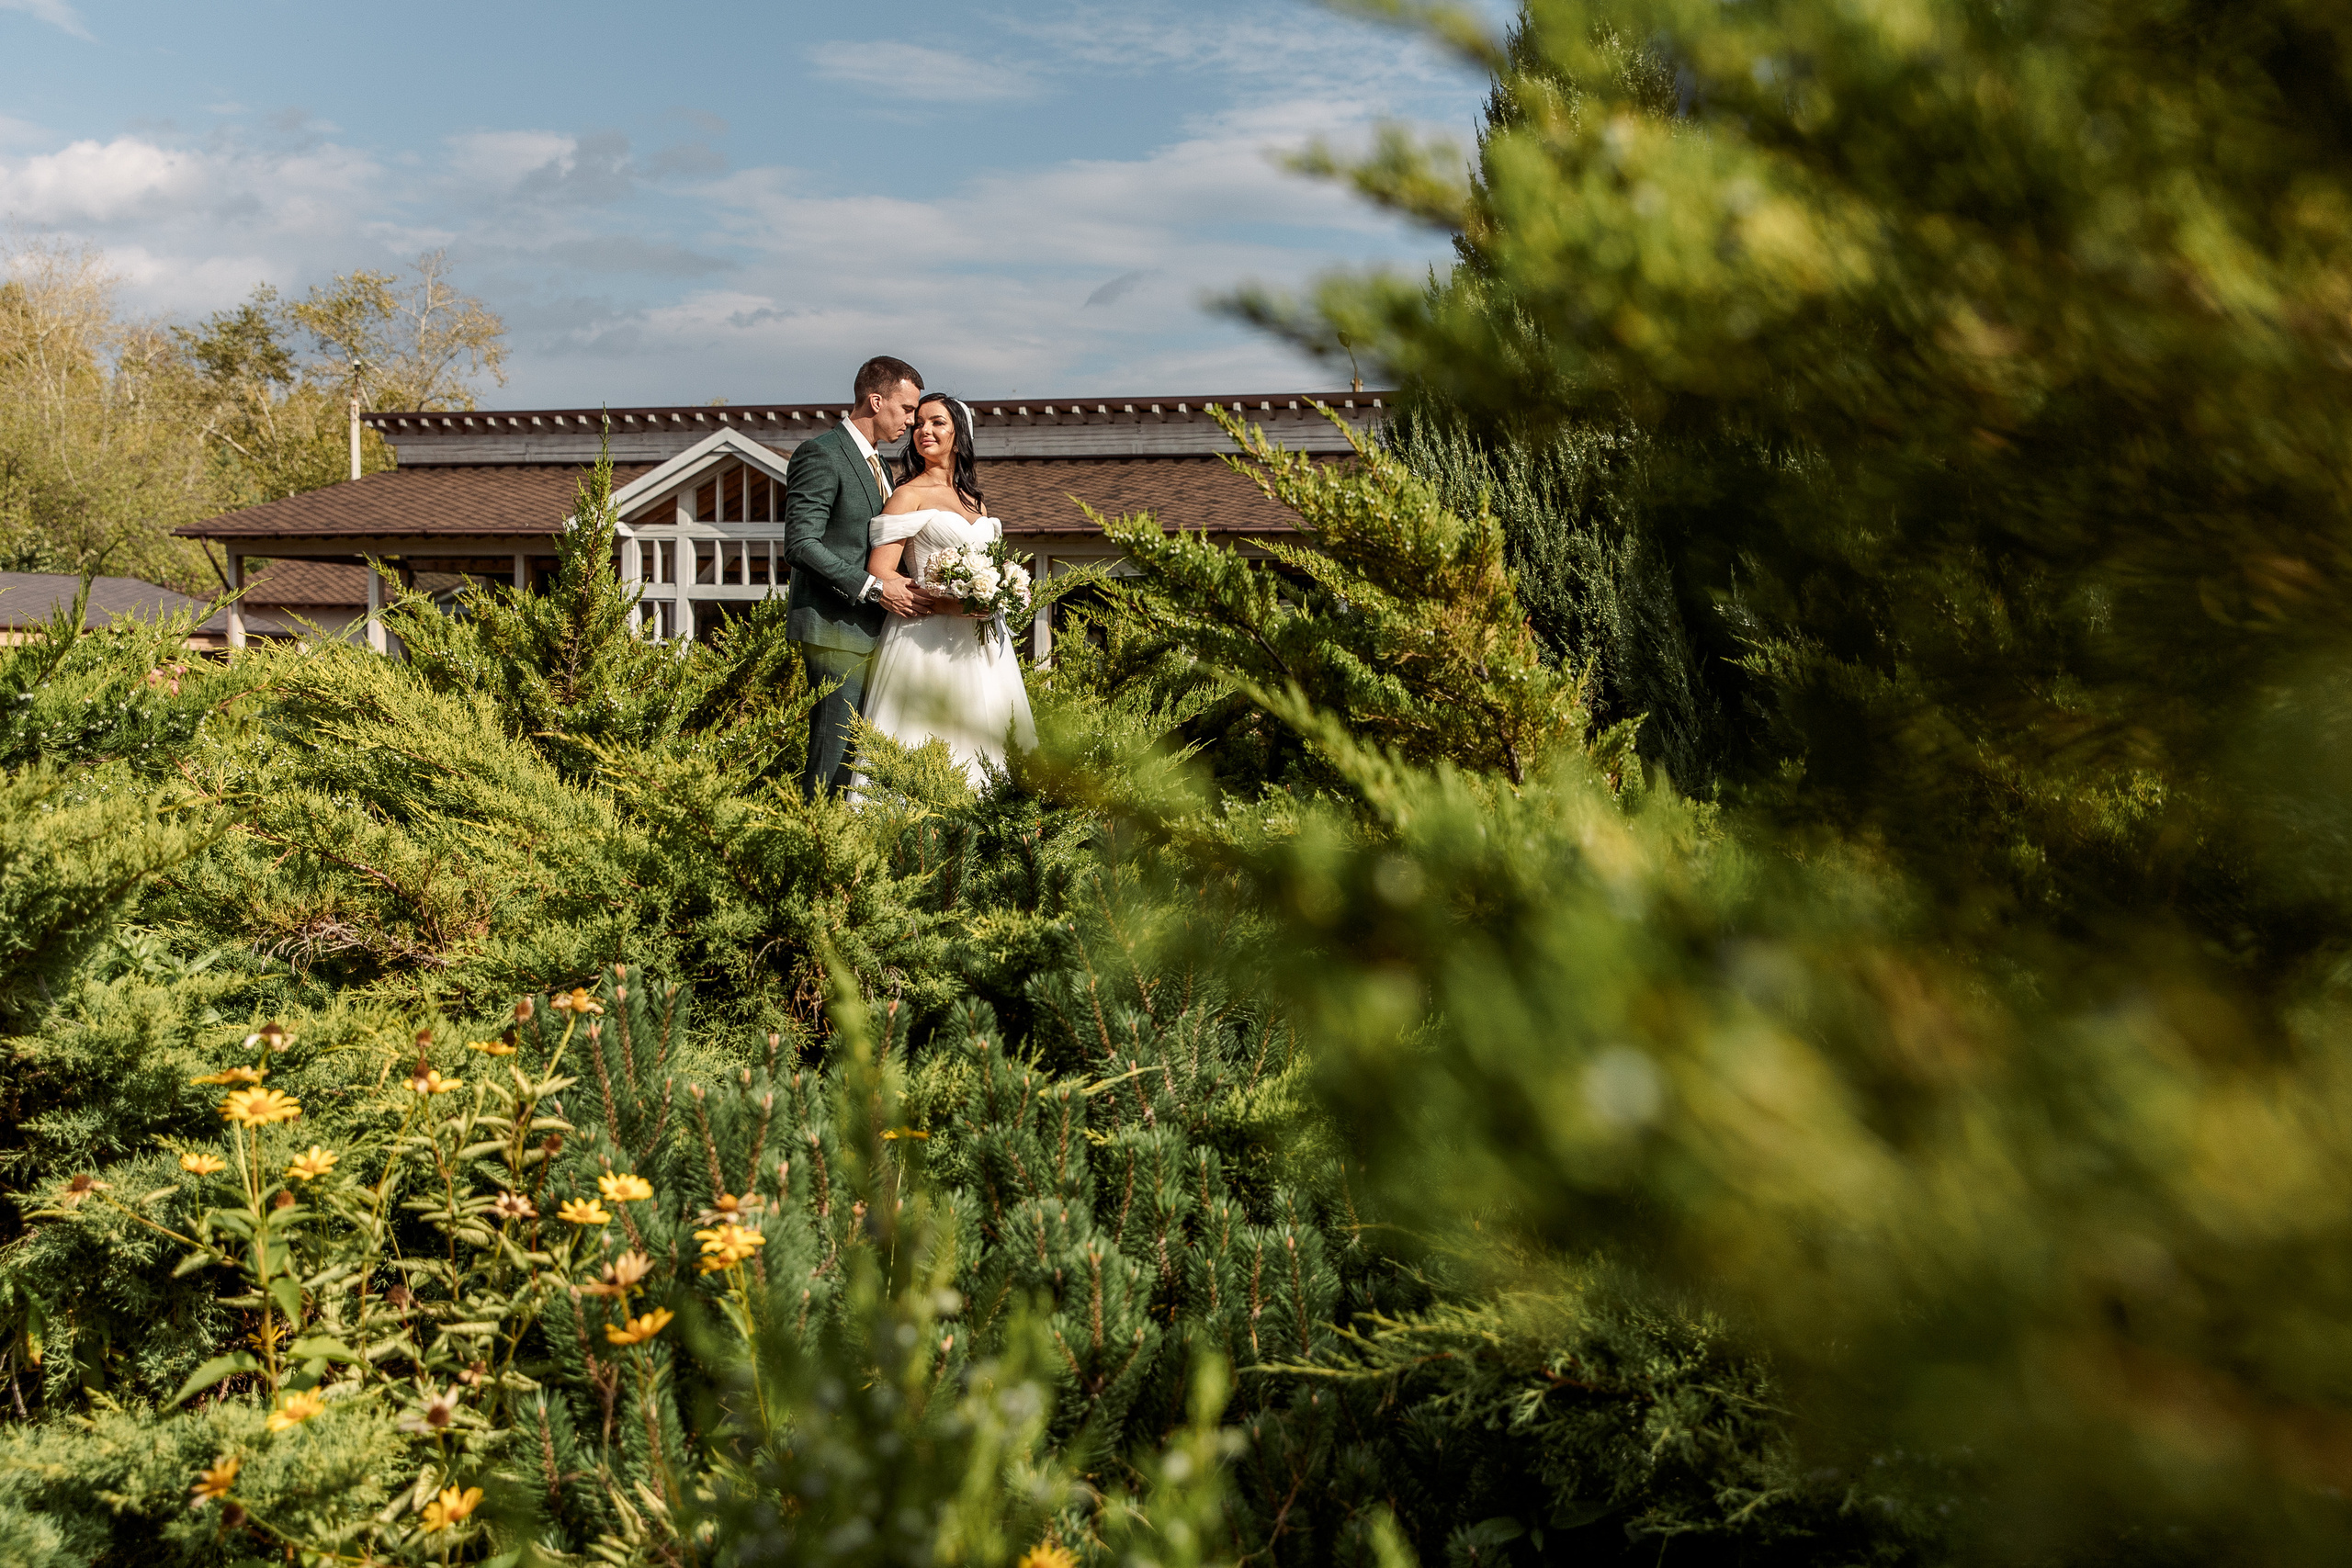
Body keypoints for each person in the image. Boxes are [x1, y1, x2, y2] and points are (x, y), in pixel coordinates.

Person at [858, 391, 1036, 789]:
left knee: (988, 742)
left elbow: (987, 567)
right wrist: (947, 603)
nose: (924, 430)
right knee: (924, 742)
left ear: (959, 432)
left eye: (937, 422)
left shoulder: (976, 501)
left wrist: (999, 592)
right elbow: (881, 571)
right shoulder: (908, 495)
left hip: (983, 643)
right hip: (924, 639)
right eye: (919, 422)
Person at [783, 355, 931, 799]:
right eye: (906, 409)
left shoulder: (882, 467)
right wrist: (872, 588)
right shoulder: (822, 454)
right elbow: (802, 544)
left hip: (875, 633)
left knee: (858, 760)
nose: (912, 420)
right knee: (833, 752)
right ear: (875, 399)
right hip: (836, 630)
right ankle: (817, 854)